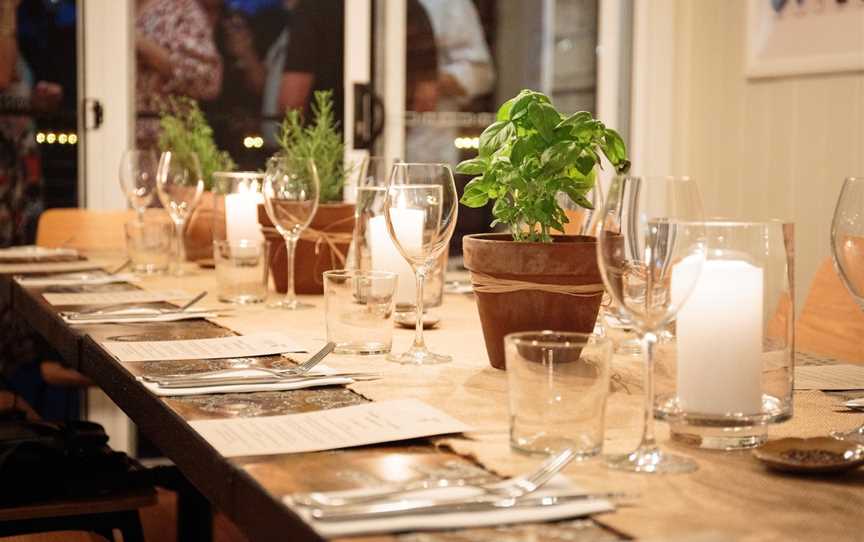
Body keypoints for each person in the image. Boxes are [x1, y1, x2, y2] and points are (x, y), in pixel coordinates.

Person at [406, 0, 495, 166]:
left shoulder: (449, 4)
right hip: (374, 140)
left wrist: (433, 81)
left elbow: (481, 73)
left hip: (427, 150)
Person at [135, 0, 223, 150]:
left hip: (164, 147)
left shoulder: (181, 10)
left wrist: (145, 48)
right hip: (113, 139)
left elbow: (209, 78)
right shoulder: (110, 13)